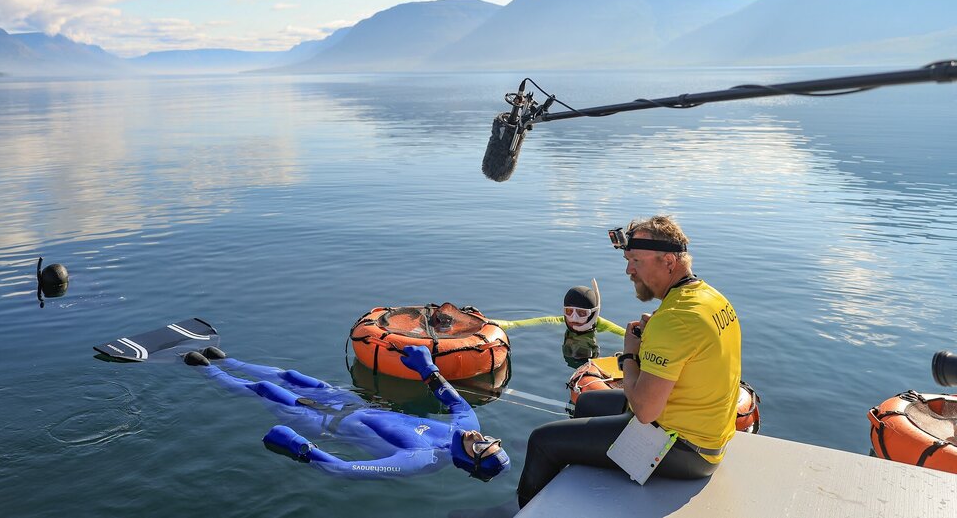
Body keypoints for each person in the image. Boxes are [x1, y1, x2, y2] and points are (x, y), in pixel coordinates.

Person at [516, 216, 742, 507]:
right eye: (627, 259)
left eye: (636, 260)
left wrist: (630, 354)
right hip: (706, 436)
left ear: (669, 262)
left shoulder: (674, 320)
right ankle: (579, 482)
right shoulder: (708, 297)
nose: (628, 270)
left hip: (686, 451)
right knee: (586, 404)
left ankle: (524, 510)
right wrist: (655, 335)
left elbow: (646, 412)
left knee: (543, 442)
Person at [183, 343, 510, 481]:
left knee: (266, 390)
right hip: (352, 404)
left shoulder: (420, 460)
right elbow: (456, 402)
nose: (479, 436)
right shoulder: (463, 429)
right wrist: (428, 370)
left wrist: (302, 449)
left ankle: (208, 371)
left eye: (482, 446)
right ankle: (229, 361)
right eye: (490, 438)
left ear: (471, 461)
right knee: (292, 377)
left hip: (323, 422)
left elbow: (345, 469)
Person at [494, 279, 626, 365]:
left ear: (593, 313)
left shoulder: (608, 330)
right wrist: (484, 321)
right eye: (569, 312)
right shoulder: (557, 322)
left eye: (581, 313)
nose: (573, 318)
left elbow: (634, 338)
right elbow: (514, 325)